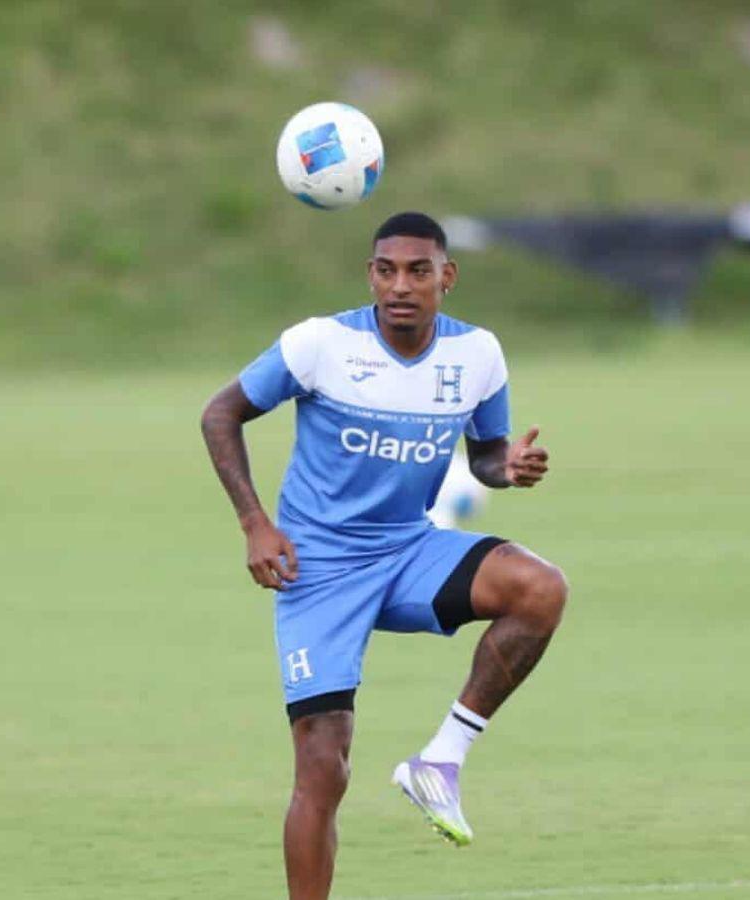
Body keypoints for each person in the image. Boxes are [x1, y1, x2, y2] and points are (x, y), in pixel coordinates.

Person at [200, 211, 568, 900]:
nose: (400, 285)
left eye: (418, 271)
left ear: (446, 278)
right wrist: (255, 523)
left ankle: (441, 761)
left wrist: (507, 465)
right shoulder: (320, 345)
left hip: (407, 552)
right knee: (323, 767)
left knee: (540, 589)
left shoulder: (477, 355)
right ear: (370, 274)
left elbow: (484, 456)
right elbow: (219, 413)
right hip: (316, 571)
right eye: (386, 270)